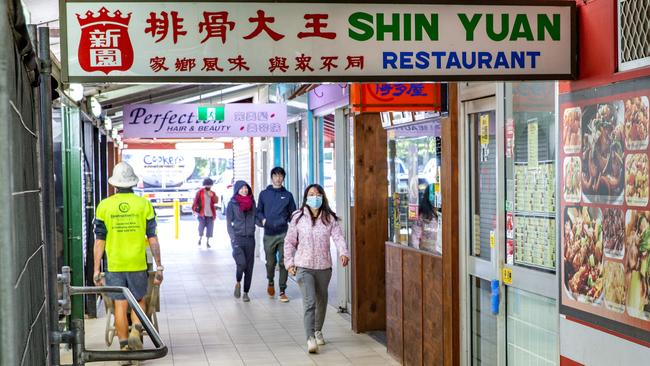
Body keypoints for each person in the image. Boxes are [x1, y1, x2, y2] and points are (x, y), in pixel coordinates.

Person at [93, 162, 164, 363]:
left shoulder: (104, 206)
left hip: (115, 264)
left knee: (120, 305)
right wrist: (159, 265)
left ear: (114, 185)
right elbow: (153, 238)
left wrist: (97, 269)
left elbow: (99, 240)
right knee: (139, 299)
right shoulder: (143, 205)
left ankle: (124, 350)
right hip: (137, 264)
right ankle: (137, 330)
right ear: (133, 183)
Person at [284, 184, 349, 354]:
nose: (315, 197)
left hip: (323, 267)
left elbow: (338, 237)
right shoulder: (297, 217)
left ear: (323, 197)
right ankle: (310, 337)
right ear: (306, 197)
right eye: (311, 194)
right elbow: (289, 242)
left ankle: (318, 330)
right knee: (310, 301)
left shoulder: (329, 218)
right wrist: (289, 263)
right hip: (303, 267)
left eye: (318, 194)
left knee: (322, 301)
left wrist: (343, 252)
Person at [256, 167, 296, 302]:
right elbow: (258, 211)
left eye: (280, 176)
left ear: (283, 178)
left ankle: (283, 290)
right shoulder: (264, 194)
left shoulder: (288, 195)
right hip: (269, 234)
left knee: (284, 262)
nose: (278, 178)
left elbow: (293, 214)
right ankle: (271, 281)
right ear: (272, 177)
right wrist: (264, 220)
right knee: (270, 262)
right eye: (276, 176)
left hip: (284, 233)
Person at [226, 180, 257, 302]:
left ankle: (246, 292)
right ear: (237, 190)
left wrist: (265, 222)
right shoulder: (232, 204)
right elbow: (228, 223)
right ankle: (238, 281)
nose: (244, 190)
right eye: (241, 188)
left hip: (250, 238)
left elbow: (256, 217)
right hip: (237, 238)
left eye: (246, 188)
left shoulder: (252, 202)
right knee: (242, 263)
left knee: (249, 267)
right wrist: (233, 239)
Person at [411, 184, 442, 254]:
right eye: (434, 195)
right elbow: (415, 237)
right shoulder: (423, 215)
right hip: (427, 255)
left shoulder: (445, 214)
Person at [192, 177, 218, 248]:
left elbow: (216, 201)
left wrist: (212, 196)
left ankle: (207, 242)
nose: (208, 186)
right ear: (204, 185)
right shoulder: (199, 192)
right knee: (201, 227)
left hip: (210, 214)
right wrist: (194, 209)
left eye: (209, 185)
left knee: (210, 229)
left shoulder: (212, 193)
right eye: (207, 185)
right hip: (201, 214)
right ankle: (200, 238)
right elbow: (195, 201)